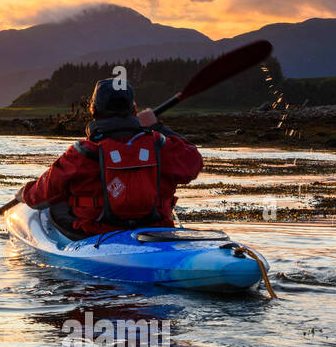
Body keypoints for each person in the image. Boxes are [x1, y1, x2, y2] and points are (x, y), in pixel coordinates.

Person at [16, 78, 203, 236]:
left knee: (54, 206)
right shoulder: (160, 145)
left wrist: (25, 194)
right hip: (155, 231)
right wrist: (157, 126)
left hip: (96, 234)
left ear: (93, 111)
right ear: (134, 110)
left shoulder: (82, 152)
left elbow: (39, 198)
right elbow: (194, 162)